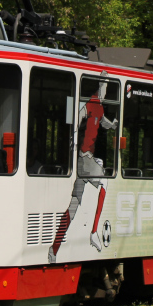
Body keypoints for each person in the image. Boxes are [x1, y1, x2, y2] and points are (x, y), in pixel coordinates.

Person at [48, 82, 115, 264]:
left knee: (74, 205)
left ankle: (54, 250)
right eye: (104, 87)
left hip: (85, 159)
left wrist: (113, 125)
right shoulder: (93, 102)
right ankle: (94, 232)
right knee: (105, 182)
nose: (105, 91)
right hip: (84, 157)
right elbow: (80, 115)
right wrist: (74, 133)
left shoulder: (99, 108)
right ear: (100, 87)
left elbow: (104, 123)